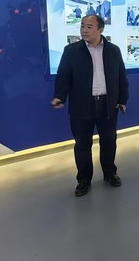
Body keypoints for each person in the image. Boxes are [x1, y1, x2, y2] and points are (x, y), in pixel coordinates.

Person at [52, 14, 129, 197]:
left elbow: (121, 76)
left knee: (109, 142)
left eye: (89, 27)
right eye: (82, 26)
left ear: (100, 29)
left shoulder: (113, 50)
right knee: (82, 145)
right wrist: (60, 96)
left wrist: (123, 100)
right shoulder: (71, 51)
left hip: (107, 105)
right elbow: (63, 76)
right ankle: (84, 180)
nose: (84, 30)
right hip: (81, 106)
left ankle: (110, 173)